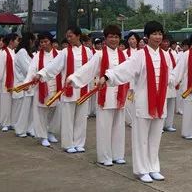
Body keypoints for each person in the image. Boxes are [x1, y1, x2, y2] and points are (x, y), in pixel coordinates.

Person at [96, 21, 176, 183]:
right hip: (144, 101)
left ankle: (153, 167)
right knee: (141, 137)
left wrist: (174, 81)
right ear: (147, 36)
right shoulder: (139, 55)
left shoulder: (166, 55)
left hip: (160, 102)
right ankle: (141, 169)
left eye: (160, 33)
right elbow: (125, 69)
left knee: (155, 137)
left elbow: (171, 75)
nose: (158, 37)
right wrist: (107, 77)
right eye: (154, 34)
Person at [67, 24, 130, 166]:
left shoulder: (124, 55)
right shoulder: (100, 54)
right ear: (105, 39)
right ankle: (104, 156)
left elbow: (129, 72)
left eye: (116, 37)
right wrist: (74, 78)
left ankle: (118, 154)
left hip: (120, 95)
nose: (113, 40)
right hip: (105, 95)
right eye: (110, 37)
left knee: (119, 126)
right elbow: (87, 69)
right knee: (104, 127)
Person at [33, 26, 93, 153]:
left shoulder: (88, 51)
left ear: (78, 36)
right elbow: (54, 66)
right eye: (67, 36)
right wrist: (41, 74)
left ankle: (79, 142)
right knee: (68, 118)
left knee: (81, 118)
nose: (68, 38)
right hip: (68, 89)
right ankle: (68, 144)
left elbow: (92, 68)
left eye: (71, 36)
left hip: (83, 89)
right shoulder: (65, 52)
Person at [26, 33, 60, 147]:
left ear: (51, 42)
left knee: (55, 112)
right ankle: (42, 136)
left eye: (46, 41)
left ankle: (51, 132)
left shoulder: (59, 54)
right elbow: (31, 71)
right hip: (41, 88)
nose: (44, 44)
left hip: (56, 86)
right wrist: (27, 83)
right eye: (41, 42)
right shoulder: (37, 56)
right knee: (41, 113)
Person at [160, 35, 179, 132]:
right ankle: (161, 125)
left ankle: (169, 124)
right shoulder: (159, 53)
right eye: (164, 42)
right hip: (163, 83)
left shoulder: (174, 53)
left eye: (167, 42)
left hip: (172, 82)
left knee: (171, 104)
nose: (166, 44)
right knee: (163, 104)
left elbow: (177, 67)